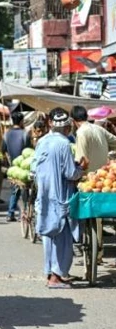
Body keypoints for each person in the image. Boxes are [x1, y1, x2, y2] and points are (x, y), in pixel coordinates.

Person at [31, 108, 88, 289]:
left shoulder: (41, 142)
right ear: (67, 127)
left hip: (45, 197)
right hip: (60, 197)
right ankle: (55, 278)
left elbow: (34, 168)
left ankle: (51, 273)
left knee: (49, 237)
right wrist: (82, 168)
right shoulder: (64, 144)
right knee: (62, 238)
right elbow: (70, 173)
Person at [71, 105, 116, 264]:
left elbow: (81, 159)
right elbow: (115, 142)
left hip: (90, 180)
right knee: (101, 218)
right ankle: (97, 250)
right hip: (106, 180)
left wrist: (76, 175)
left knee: (89, 215)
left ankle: (90, 249)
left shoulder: (81, 132)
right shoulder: (98, 129)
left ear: (73, 121)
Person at [2, 111, 31, 222]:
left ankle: (11, 213)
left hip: (12, 167)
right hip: (23, 166)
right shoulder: (25, 133)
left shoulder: (6, 134)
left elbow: (3, 150)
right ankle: (21, 213)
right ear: (22, 121)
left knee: (15, 190)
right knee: (24, 191)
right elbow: (29, 151)